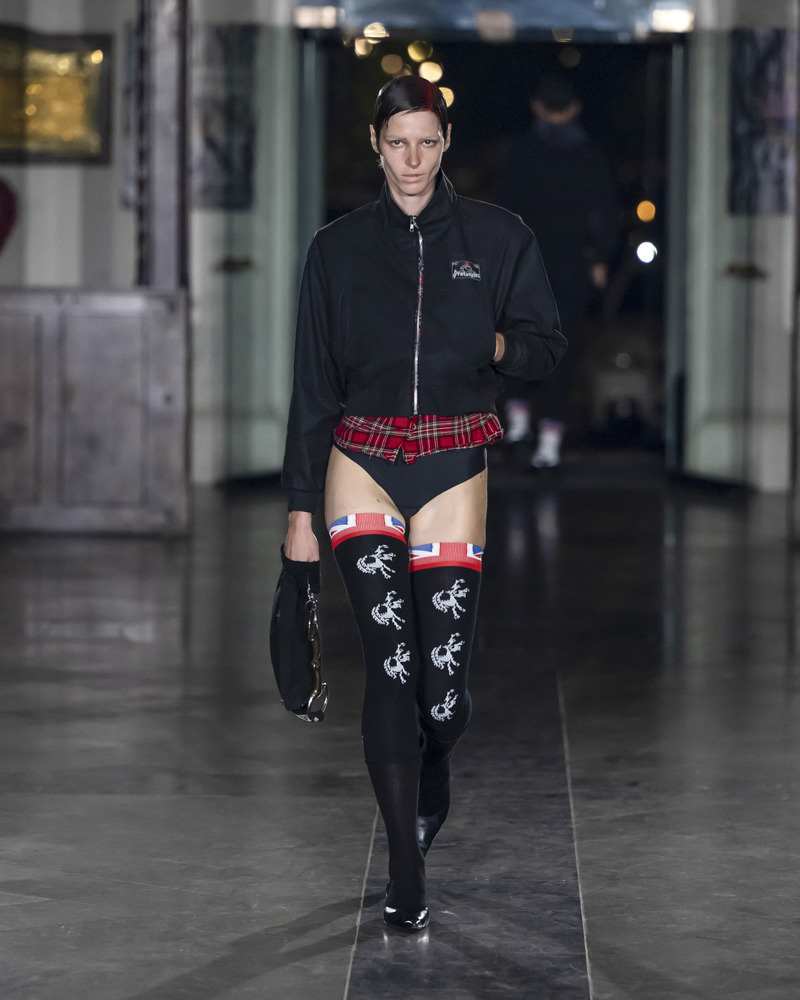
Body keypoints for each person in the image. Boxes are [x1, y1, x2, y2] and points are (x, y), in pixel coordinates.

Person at [281, 76, 566, 933]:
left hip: (450, 463)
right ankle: (405, 868)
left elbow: (547, 347)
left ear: (447, 145)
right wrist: (299, 512)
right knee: (391, 668)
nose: (412, 160)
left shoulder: (499, 237)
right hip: (360, 460)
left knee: (441, 696)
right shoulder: (336, 250)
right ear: (376, 144)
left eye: (427, 143)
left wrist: (494, 341)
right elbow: (312, 387)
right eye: (397, 142)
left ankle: (432, 766)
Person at [497, 74, 618, 468]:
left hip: (526, 264)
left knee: (518, 343)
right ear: (575, 108)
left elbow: (503, 210)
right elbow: (604, 212)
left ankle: (519, 428)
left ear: (536, 106)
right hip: (569, 264)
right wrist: (599, 258)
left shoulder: (521, 151)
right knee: (558, 352)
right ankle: (548, 445)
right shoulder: (587, 154)